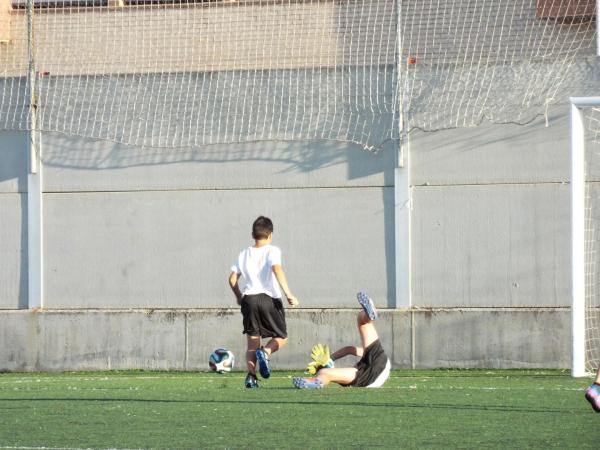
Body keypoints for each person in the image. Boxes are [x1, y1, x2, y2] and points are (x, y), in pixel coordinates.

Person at [229, 216, 299, 389]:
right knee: (281, 337)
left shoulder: (244, 253)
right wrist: (289, 293)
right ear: (270, 235)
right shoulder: (272, 250)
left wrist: (239, 297)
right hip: (269, 299)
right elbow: (277, 269)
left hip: (249, 299)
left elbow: (231, 279)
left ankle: (251, 378)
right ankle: (266, 352)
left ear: (253, 234)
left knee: (252, 341)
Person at [293, 292, 390, 389]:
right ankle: (369, 316)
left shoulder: (359, 365)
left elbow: (350, 350)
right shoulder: (368, 356)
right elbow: (350, 350)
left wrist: (330, 361)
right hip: (380, 362)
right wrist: (330, 359)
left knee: (324, 373)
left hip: (366, 378)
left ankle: (317, 380)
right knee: (361, 319)